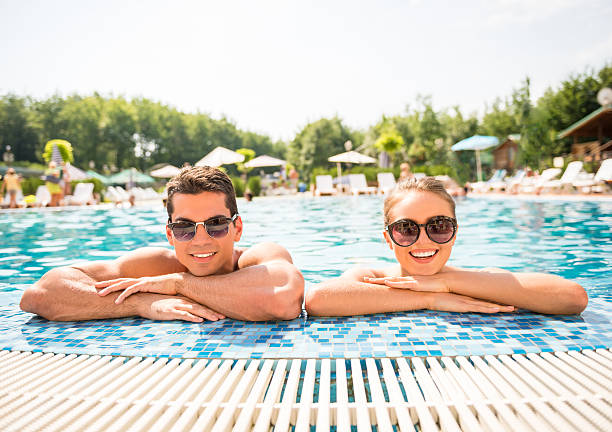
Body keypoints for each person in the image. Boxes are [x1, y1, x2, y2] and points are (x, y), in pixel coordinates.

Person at [21, 166, 304, 322]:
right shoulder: (157, 265)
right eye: (184, 228)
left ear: (237, 228)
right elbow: (40, 293)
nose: (201, 239)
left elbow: (284, 298)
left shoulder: (256, 257)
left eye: (216, 224)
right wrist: (144, 303)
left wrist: (180, 285)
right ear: (169, 235)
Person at [306, 177, 587, 317]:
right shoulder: (370, 278)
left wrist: (447, 283)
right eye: (406, 229)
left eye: (438, 226)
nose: (424, 240)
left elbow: (573, 297)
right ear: (388, 237)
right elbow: (318, 300)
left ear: (454, 233)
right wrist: (429, 299)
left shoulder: (472, 281)